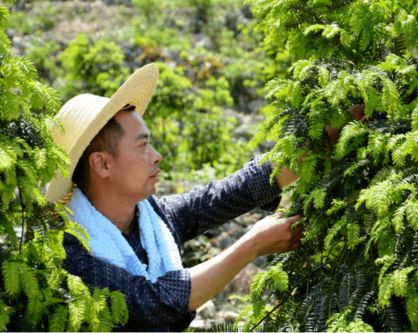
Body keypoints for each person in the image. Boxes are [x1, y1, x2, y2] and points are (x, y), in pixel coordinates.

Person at [45, 64, 304, 331]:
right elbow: (152, 302)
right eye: (142, 145)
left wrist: (322, 139)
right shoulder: (69, 249)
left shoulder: (154, 219)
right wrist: (251, 245)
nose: (156, 155)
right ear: (102, 165)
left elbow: (233, 191)